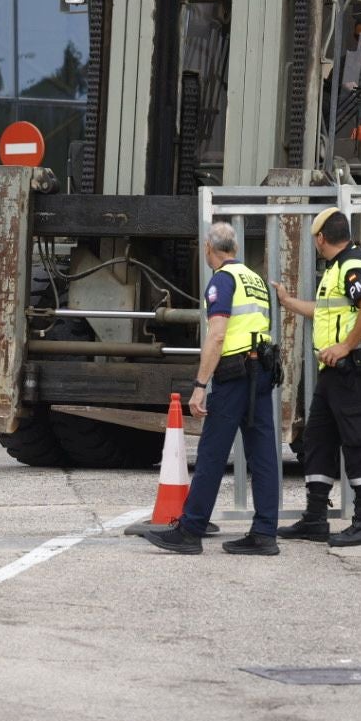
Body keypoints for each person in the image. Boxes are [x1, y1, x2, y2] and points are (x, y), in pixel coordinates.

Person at [143, 222, 281, 556]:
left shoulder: (222, 280)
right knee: (262, 453)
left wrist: (200, 385)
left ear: (209, 248)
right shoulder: (256, 280)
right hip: (261, 371)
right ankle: (265, 532)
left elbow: (217, 335)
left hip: (234, 373)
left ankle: (190, 530)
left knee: (211, 452)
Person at [272, 206, 361, 548]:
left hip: (353, 370)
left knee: (356, 442)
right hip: (334, 373)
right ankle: (315, 517)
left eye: (315, 239)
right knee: (318, 439)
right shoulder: (338, 269)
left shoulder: (352, 265)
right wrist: (289, 302)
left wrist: (346, 346)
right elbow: (324, 312)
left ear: (321, 238)